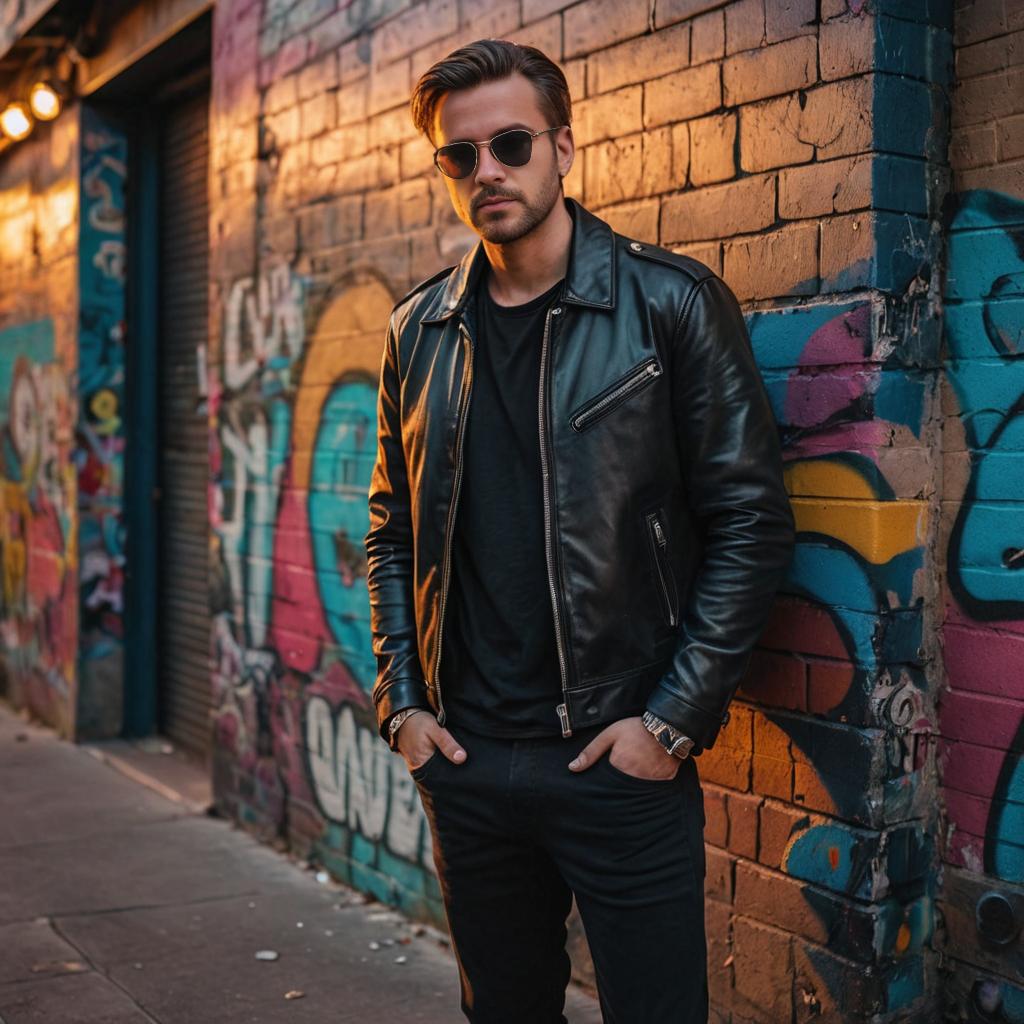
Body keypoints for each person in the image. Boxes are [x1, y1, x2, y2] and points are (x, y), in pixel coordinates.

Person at [364, 38, 795, 1024]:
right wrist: (405, 706)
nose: (487, 173)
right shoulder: (417, 330)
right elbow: (392, 529)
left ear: (562, 145)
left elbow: (749, 523)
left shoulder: (669, 305)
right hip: (466, 758)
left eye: (509, 145)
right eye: (459, 157)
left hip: (616, 757)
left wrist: (668, 724)